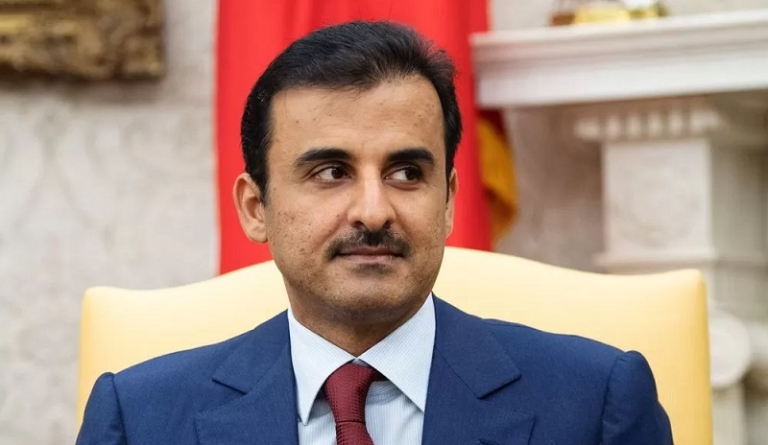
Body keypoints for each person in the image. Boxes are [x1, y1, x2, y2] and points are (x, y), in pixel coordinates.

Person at [76, 20, 673, 445]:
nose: (373, 211)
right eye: (331, 172)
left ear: (448, 202)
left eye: (406, 173)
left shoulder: (595, 403)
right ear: (256, 208)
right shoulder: (142, 418)